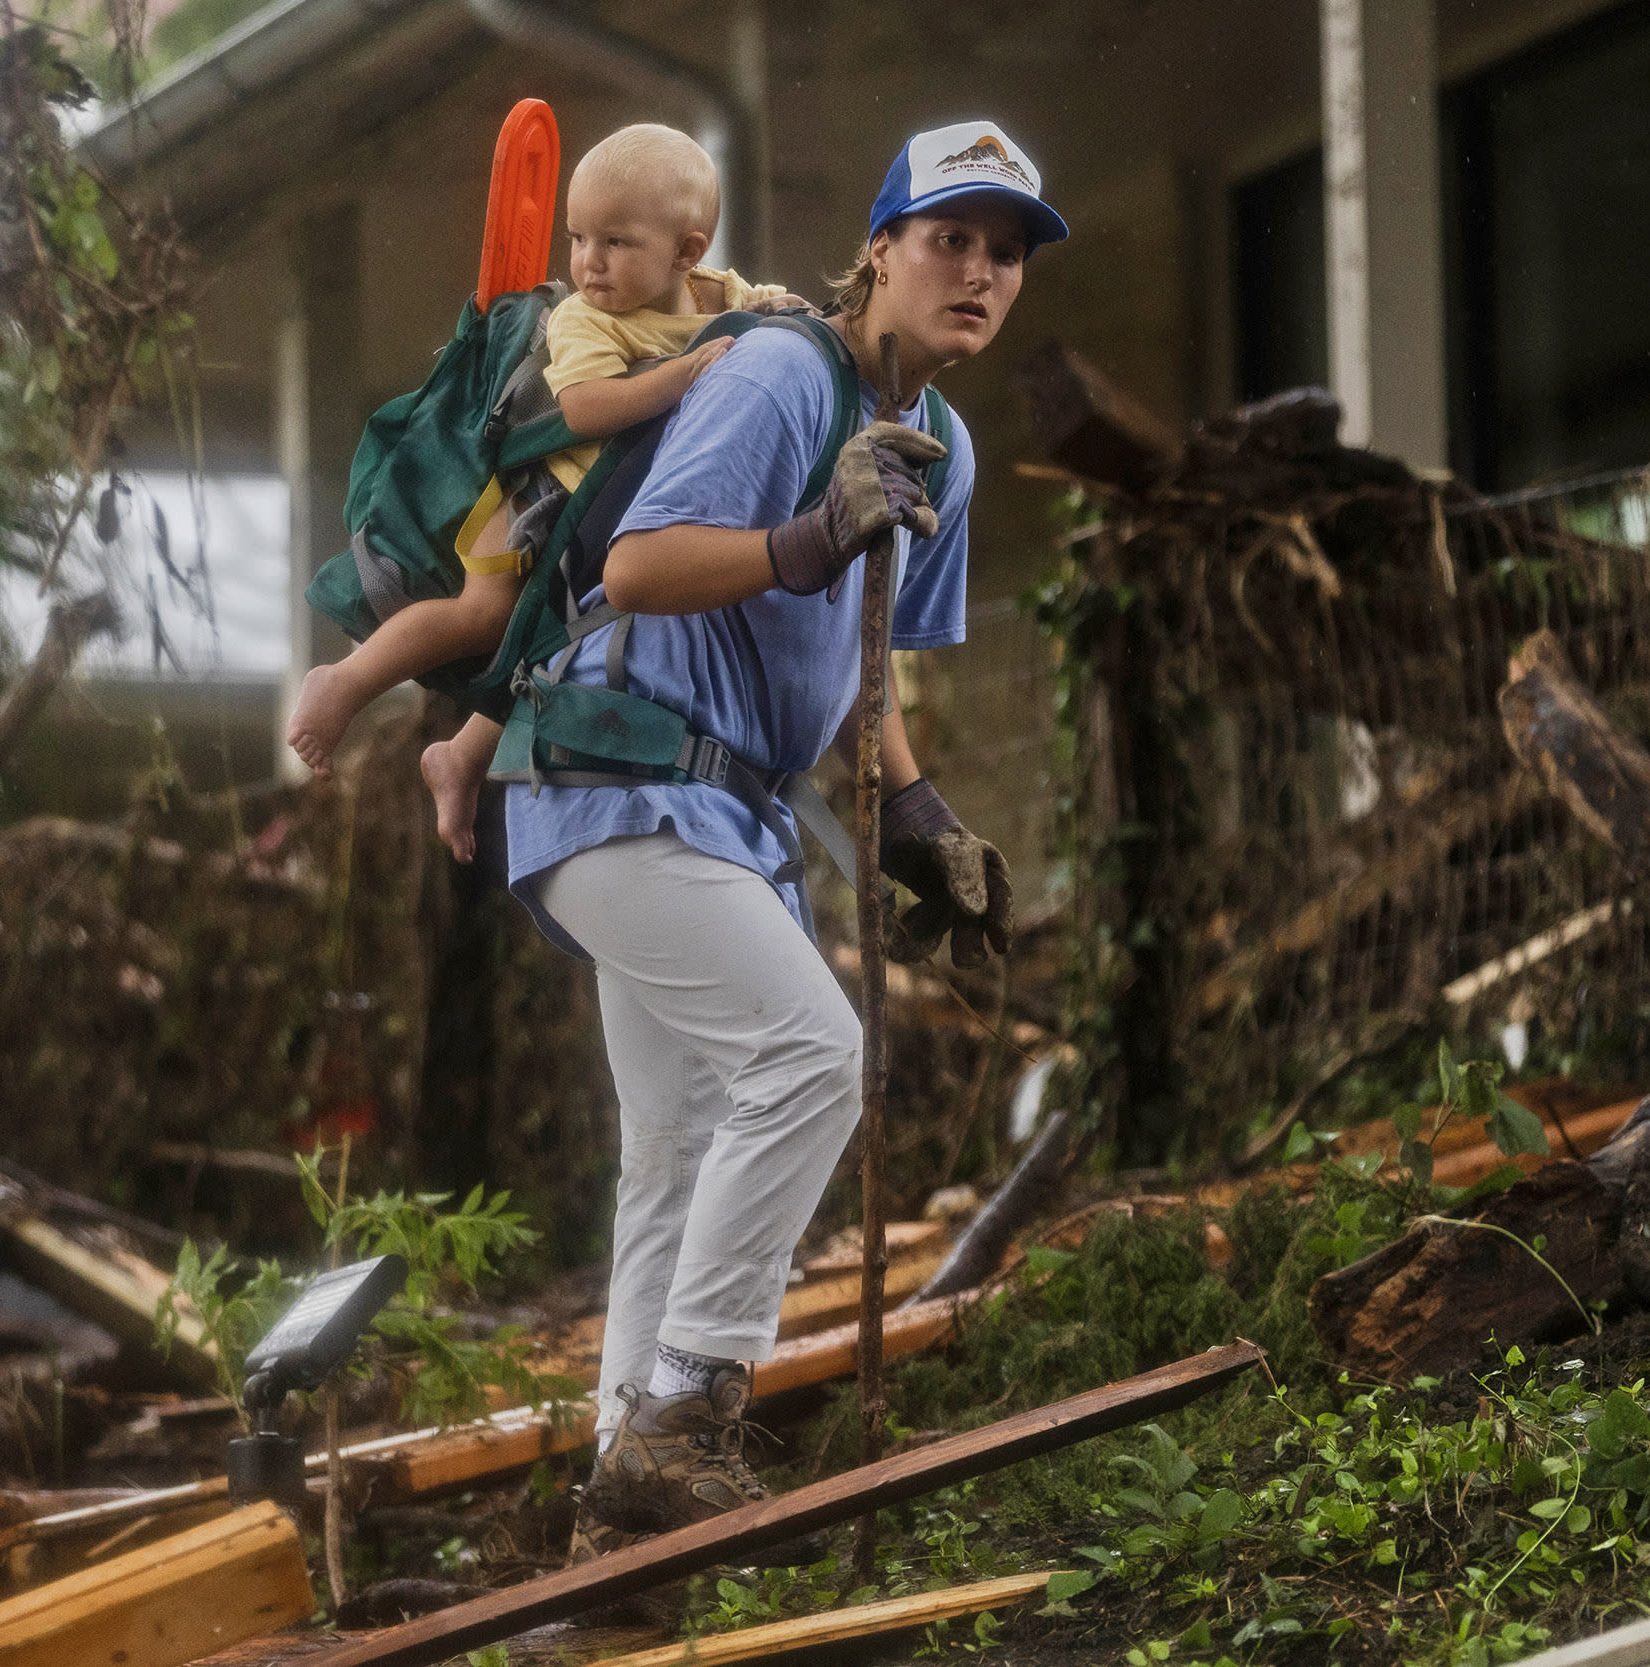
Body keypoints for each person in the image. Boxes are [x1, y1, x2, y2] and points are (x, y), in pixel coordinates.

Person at [500, 120, 1067, 1560]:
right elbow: (639, 566)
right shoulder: (777, 371)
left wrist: (918, 815)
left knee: (676, 1152)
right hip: (614, 771)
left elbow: (864, 673)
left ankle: (621, 1535)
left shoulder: (944, 447)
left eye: (1006, 254)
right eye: (950, 238)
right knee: (816, 1053)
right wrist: (805, 537)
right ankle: (687, 1408)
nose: (979, 272)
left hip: (722, 812)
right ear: (879, 250)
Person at [283, 123, 793, 809]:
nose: (589, 263)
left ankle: (460, 759)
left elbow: (760, 305)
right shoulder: (588, 319)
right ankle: (346, 681)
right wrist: (679, 375)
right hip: (539, 497)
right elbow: (583, 408)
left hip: (607, 509)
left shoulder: (715, 294)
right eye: (577, 238)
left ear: (687, 253)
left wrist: (786, 312)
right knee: (482, 615)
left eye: (615, 243)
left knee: (553, 645)